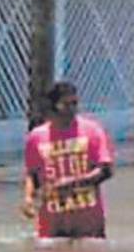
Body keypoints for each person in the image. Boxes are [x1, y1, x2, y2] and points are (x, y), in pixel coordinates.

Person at [22, 81, 114, 239]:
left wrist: (73, 183)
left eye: (75, 104)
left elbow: (106, 171)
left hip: (88, 222)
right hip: (52, 223)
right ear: (53, 106)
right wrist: (28, 199)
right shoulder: (36, 138)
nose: (72, 109)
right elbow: (32, 174)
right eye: (66, 105)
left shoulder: (93, 131)